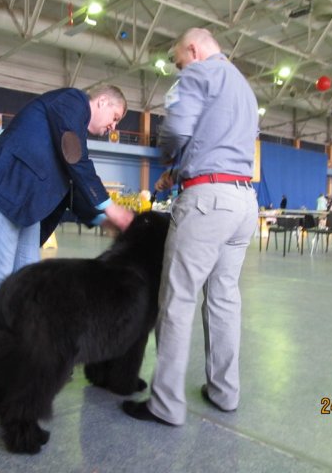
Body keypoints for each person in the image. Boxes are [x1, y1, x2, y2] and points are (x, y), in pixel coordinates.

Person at [122, 28, 259, 426]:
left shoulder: (197, 74)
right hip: (243, 200)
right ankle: (224, 392)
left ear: (194, 50)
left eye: (178, 61)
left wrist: (167, 154)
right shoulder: (244, 88)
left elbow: (178, 131)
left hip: (207, 203)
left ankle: (165, 404)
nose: (178, 68)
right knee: (224, 297)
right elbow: (220, 142)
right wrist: (179, 172)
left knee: (178, 299)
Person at [0, 84, 135, 367]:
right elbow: (75, 161)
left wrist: (102, 219)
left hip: (27, 204)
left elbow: (70, 186)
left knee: (28, 281)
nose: (113, 127)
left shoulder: (72, 129)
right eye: (115, 117)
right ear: (102, 101)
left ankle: (18, 353)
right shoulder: (73, 101)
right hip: (5, 188)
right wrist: (110, 206)